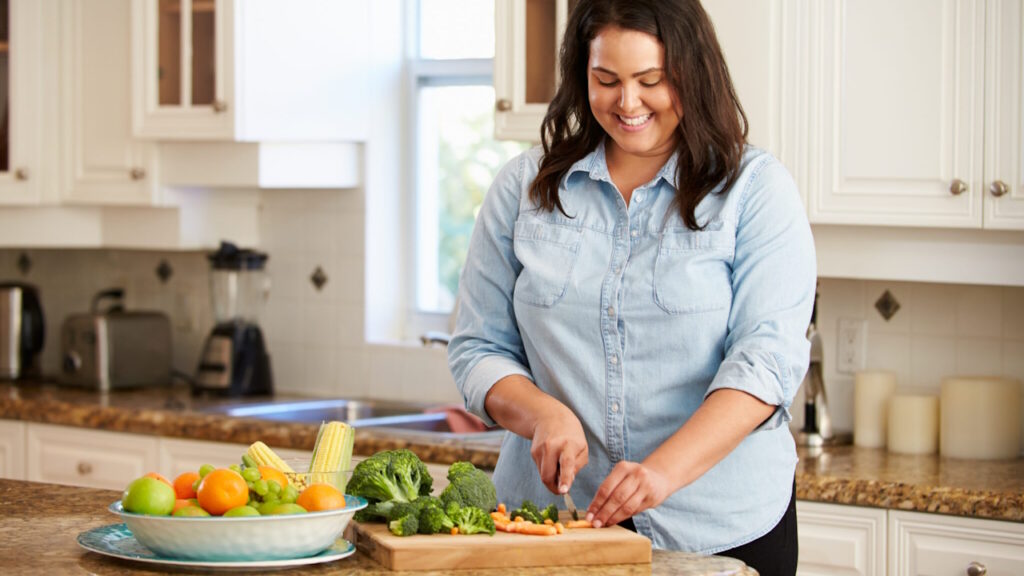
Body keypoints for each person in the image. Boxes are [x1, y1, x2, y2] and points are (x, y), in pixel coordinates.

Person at [448, 1, 814, 574]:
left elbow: (765, 363)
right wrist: (541, 414)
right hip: (551, 524)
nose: (627, 103)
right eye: (606, 80)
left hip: (718, 525)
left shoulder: (754, 191)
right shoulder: (525, 188)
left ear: (693, 73)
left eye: (650, 80)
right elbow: (478, 347)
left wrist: (662, 472)